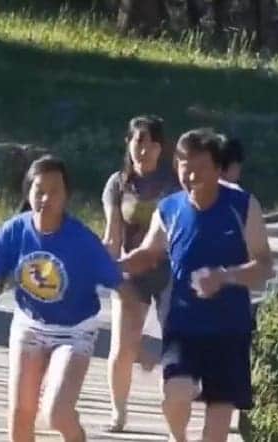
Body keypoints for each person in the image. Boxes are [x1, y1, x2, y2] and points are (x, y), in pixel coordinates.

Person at [0, 155, 138, 442]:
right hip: (29, 326)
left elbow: (123, 289)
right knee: (20, 414)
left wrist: (133, 337)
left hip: (75, 331)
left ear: (67, 196)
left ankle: (75, 433)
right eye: (39, 190)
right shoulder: (15, 230)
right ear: (28, 191)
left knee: (57, 413)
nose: (46, 198)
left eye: (55, 191)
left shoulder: (81, 240)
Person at [118, 128, 274, 442]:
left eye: (200, 167)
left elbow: (265, 265)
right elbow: (149, 254)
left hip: (229, 328)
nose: (191, 175)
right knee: (175, 395)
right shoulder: (170, 209)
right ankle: (180, 438)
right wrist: (111, 267)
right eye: (184, 166)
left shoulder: (242, 206)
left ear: (218, 169)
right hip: (183, 325)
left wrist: (225, 276)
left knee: (217, 426)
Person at [101, 115, 180, 432]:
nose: (143, 150)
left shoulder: (174, 185)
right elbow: (112, 235)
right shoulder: (118, 184)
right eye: (137, 141)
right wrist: (107, 268)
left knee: (174, 347)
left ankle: (173, 412)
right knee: (122, 347)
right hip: (130, 272)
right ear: (128, 143)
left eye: (150, 143)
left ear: (161, 148)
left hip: (168, 271)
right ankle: (117, 414)